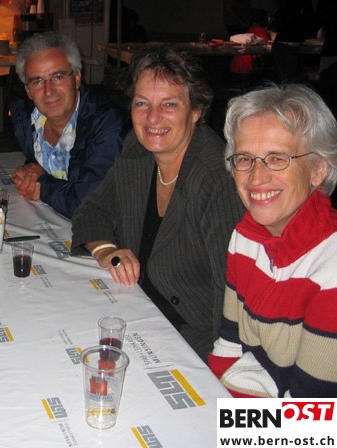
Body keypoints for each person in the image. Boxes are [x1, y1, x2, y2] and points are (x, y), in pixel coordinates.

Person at [71, 45, 245, 360]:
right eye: (142, 103)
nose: (152, 117)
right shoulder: (137, 150)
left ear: (196, 111)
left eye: (169, 104)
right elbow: (91, 212)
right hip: (138, 306)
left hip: (192, 336)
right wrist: (107, 251)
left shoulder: (215, 178)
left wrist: (219, 368)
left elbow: (232, 293)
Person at [209, 84, 337, 397]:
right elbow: (229, 345)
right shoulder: (246, 237)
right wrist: (206, 401)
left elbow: (312, 416)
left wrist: (219, 421)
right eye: (245, 158)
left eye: (277, 158)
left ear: (318, 169)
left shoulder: (331, 271)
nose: (255, 177)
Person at [10, 31, 130, 219]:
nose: (48, 91)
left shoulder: (110, 127)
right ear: (28, 90)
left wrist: (41, 183)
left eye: (58, 77)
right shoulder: (28, 121)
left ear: (77, 77)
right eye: (37, 81)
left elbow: (91, 204)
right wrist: (31, 171)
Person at [272, 0, 318, 83]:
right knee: (290, 83)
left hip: (284, 43)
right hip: (290, 44)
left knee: (287, 82)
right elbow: (308, 18)